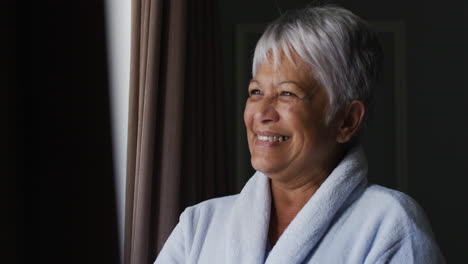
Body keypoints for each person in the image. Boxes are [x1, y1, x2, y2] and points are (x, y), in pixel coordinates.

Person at [155, 4, 445, 263]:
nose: (262, 113)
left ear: (347, 120)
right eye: (256, 92)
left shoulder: (390, 226)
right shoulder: (199, 225)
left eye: (287, 93)